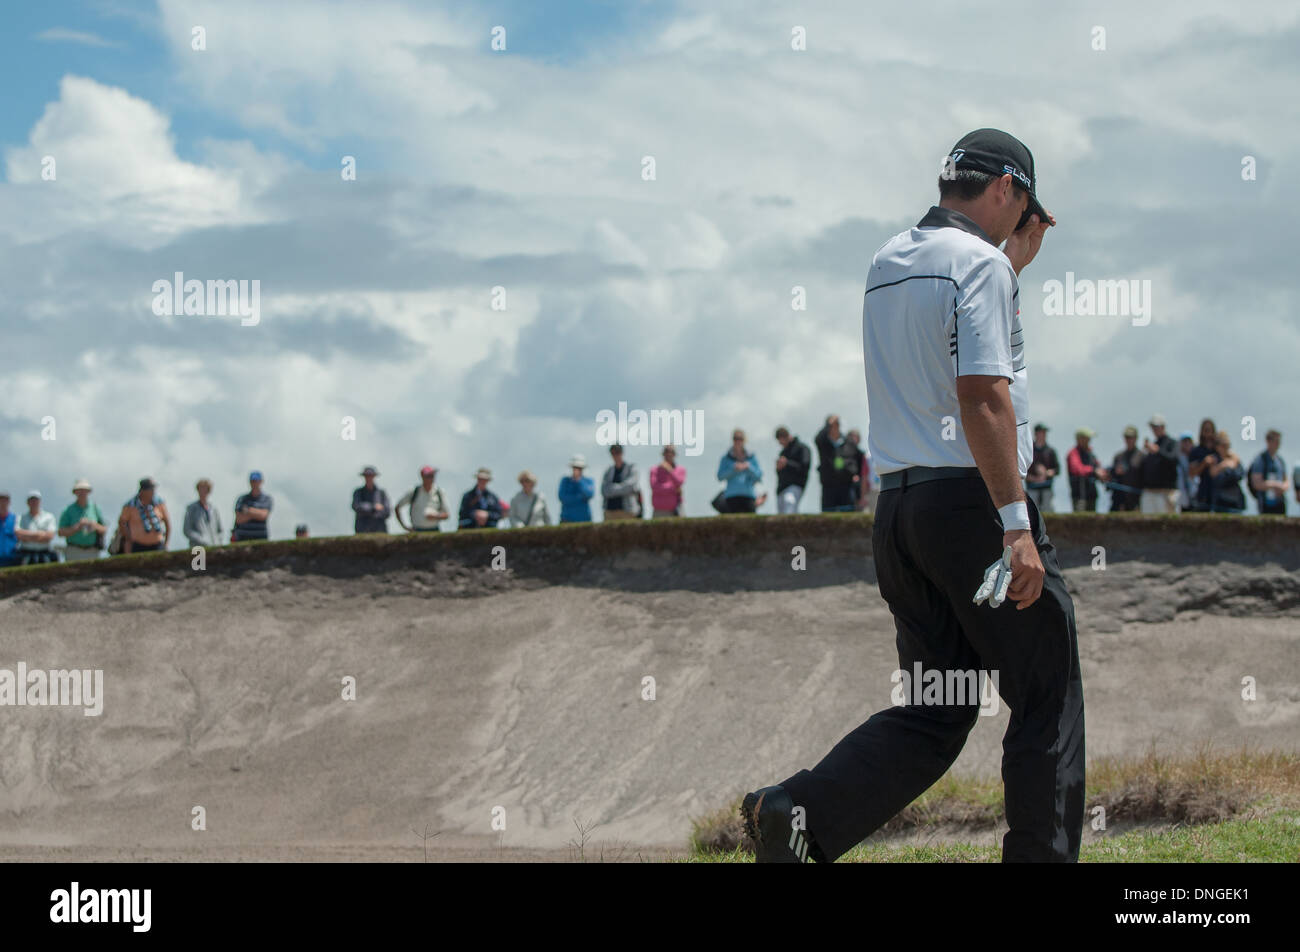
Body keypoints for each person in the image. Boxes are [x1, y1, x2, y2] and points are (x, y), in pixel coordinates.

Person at [743, 129, 1083, 865]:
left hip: (899, 514)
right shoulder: (979, 265)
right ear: (1006, 190)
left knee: (938, 705)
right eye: (1022, 203)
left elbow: (940, 360)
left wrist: (1008, 268)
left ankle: (797, 811)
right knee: (1046, 692)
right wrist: (1017, 526)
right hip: (973, 508)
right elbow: (982, 396)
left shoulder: (887, 259)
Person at [58, 478, 108, 561]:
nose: (82, 493)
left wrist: (93, 525)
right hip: (73, 550)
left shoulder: (95, 508)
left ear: (88, 492)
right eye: (79, 490)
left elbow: (104, 529)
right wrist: (77, 527)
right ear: (75, 492)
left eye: (84, 490)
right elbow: (60, 532)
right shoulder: (68, 510)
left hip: (93, 551)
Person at [1139, 413, 1180, 513]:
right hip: (1151, 492)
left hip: (1167, 492)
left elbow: (1174, 459)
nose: (1154, 429)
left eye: (1156, 427)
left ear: (1163, 427)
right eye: (1153, 427)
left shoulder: (1172, 443)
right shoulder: (1152, 446)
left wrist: (1158, 451)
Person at [815, 415, 855, 512]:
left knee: (847, 514)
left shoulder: (847, 441)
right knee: (828, 514)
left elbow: (855, 459)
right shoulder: (823, 442)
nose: (835, 427)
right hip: (829, 484)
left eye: (837, 424)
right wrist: (828, 424)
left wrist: (852, 472)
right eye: (832, 425)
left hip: (846, 483)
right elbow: (817, 438)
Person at [716, 429, 762, 513]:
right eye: (735, 439)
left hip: (749, 496)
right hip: (731, 496)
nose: (738, 441)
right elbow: (720, 477)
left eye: (740, 439)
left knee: (751, 524)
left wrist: (748, 468)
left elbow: (759, 477)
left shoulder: (752, 457)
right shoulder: (726, 458)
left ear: (744, 440)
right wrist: (734, 470)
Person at [119, 479, 170, 554]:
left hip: (158, 545)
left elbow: (167, 522)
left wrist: (166, 543)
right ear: (143, 490)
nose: (153, 491)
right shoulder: (130, 505)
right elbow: (122, 523)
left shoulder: (159, 503)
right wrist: (129, 539)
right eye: (150, 489)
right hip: (138, 546)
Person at [396, 466, 451, 532]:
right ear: (422, 477)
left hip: (434, 530)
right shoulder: (414, 492)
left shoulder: (439, 492)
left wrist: (435, 516)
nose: (431, 478)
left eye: (432, 476)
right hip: (417, 530)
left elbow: (447, 515)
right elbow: (397, 507)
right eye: (429, 476)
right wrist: (404, 527)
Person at [1248, 430, 1289, 515]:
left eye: (1279, 441)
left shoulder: (1280, 460)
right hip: (1265, 504)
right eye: (1275, 441)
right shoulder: (1260, 460)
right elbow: (1256, 483)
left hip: (1279, 503)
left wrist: (1283, 487)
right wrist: (1274, 485)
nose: (1278, 444)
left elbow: (1286, 480)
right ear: (1268, 441)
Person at [1066, 428, 1108, 512]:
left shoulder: (1090, 453)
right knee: (1079, 522)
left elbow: (1098, 466)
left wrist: (1103, 474)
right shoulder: (1073, 453)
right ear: (1079, 439)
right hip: (1080, 496)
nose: (1089, 441)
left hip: (1091, 495)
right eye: (1087, 438)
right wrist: (1094, 471)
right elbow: (1077, 469)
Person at [1205, 431, 1246, 513]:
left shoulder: (1234, 458)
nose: (1226, 448)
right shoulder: (1213, 459)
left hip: (1235, 501)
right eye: (1223, 445)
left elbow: (1240, 474)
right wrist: (1224, 465)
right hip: (1221, 502)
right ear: (1217, 447)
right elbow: (1215, 477)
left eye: (1228, 445)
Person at [774, 426, 812, 514]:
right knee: (781, 512)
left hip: (795, 485)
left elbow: (805, 466)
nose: (781, 444)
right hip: (782, 487)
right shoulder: (782, 453)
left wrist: (787, 463)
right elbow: (780, 474)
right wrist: (779, 468)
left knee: (789, 503)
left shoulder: (802, 448)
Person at [15, 490, 59, 564]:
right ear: (28, 502)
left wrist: (27, 536)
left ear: (40, 501)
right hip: (25, 554)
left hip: (44, 554)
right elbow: (19, 534)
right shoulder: (21, 517)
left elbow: (50, 536)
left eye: (36, 500)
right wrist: (40, 534)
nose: (34, 502)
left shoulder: (49, 517)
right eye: (32, 500)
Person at [1185, 418, 1218, 512]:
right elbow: (1191, 473)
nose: (1208, 434)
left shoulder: (1218, 449)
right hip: (1203, 491)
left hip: (1219, 492)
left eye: (1210, 430)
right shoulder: (1196, 451)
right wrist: (1204, 463)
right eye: (1206, 430)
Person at [601, 444, 642, 520]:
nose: (615, 455)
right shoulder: (608, 471)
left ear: (622, 453)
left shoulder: (631, 468)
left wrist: (612, 489)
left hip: (628, 512)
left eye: (617, 452)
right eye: (613, 453)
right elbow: (604, 490)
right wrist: (621, 488)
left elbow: (630, 486)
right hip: (610, 512)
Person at [1108, 426, 1144, 512]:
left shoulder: (1142, 456)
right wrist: (1115, 473)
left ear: (1136, 438)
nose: (1129, 440)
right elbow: (1112, 476)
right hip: (1119, 499)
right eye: (1127, 437)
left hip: (1136, 499)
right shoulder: (1118, 456)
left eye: (1131, 437)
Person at [1025, 423, 1059, 513]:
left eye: (1044, 432)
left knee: (1047, 511)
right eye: (1041, 432)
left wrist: (1047, 473)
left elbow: (1057, 469)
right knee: (1032, 512)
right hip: (1032, 487)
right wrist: (1032, 478)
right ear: (1036, 433)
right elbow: (1022, 468)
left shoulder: (1050, 451)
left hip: (1047, 487)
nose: (1044, 435)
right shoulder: (1028, 450)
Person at [183, 479, 224, 549]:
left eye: (206, 489)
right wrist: (202, 540)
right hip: (197, 548)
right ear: (198, 490)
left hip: (214, 547)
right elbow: (187, 530)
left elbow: (220, 530)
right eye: (201, 489)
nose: (203, 492)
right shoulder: (191, 508)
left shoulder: (214, 509)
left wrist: (217, 541)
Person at [233, 471, 272, 542]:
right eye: (252, 481)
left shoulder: (267, 499)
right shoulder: (241, 499)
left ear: (261, 481)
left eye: (256, 481)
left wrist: (247, 511)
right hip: (242, 538)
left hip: (261, 538)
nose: (254, 483)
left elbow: (263, 515)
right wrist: (257, 514)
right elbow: (239, 519)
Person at [352, 466, 391, 534]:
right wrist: (374, 507)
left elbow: (387, 511)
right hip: (363, 530)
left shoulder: (382, 493)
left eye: (370, 476)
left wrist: (369, 510)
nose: (368, 478)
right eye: (367, 476)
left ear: (374, 477)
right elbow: (356, 506)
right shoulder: (358, 492)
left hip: (379, 530)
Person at [649, 446, 686, 517]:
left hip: (676, 509)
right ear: (663, 454)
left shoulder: (681, 469)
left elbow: (679, 483)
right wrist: (673, 488)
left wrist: (669, 470)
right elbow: (654, 487)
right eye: (666, 451)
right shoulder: (654, 470)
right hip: (659, 510)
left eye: (671, 452)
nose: (669, 454)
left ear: (675, 454)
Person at [558, 456, 595, 523]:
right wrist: (580, 498)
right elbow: (562, 498)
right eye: (575, 467)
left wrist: (579, 481)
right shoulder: (565, 481)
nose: (577, 470)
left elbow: (589, 495)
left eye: (579, 468)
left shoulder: (588, 481)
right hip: (567, 519)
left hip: (584, 519)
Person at [1175, 431, 1196, 511]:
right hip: (1181, 497)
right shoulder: (1177, 458)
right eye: (1184, 441)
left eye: (1189, 441)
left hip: (1194, 495)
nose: (1187, 443)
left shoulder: (1196, 457)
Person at [0, 492, 19, 568]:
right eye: (1, 501)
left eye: (5, 501)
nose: (3, 503)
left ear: (9, 502)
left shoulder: (16, 519)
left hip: (12, 558)